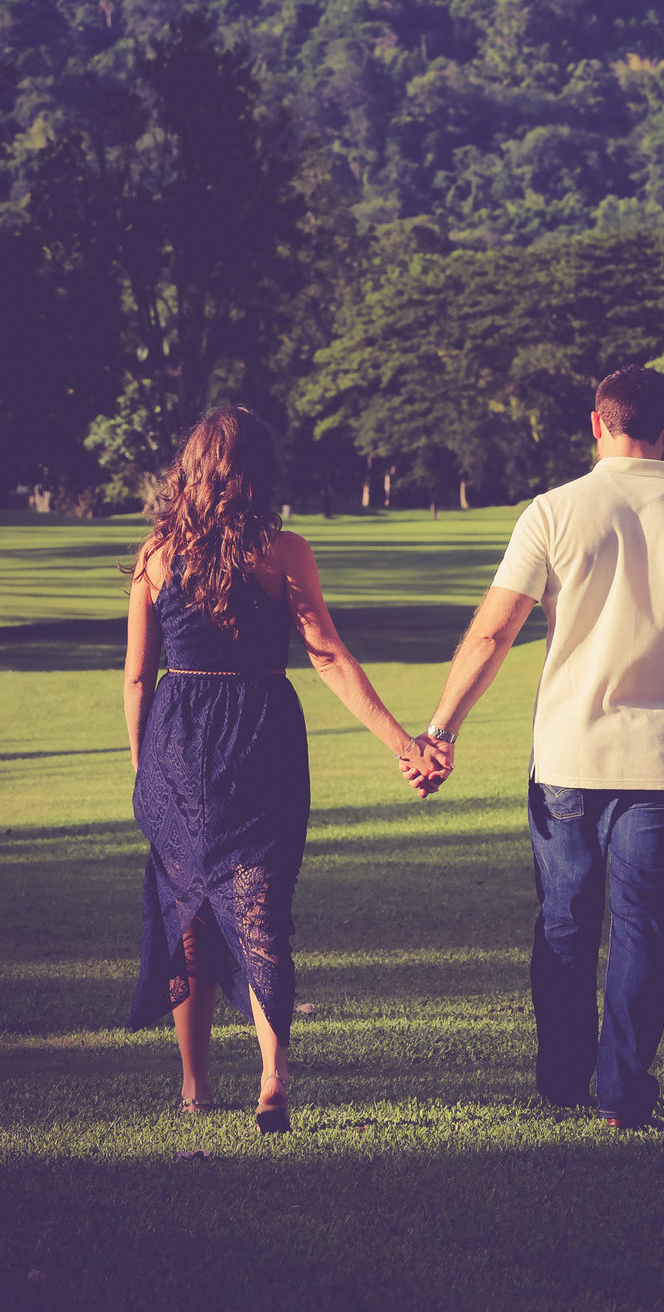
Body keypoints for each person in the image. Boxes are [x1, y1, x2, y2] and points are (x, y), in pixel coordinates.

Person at [403, 364, 664, 1128]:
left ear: (597, 424)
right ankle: (623, 1095)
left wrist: (441, 730)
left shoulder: (553, 512)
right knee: (645, 925)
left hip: (567, 758)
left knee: (566, 922)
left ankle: (563, 1081)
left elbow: (494, 632)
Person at [124, 405, 448, 1134]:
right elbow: (328, 657)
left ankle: (194, 1087)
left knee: (188, 912)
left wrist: (147, 769)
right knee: (260, 902)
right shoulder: (284, 552)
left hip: (177, 738)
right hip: (262, 730)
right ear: (260, 473)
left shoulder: (156, 556)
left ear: (191, 470)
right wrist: (405, 744)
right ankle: (272, 1074)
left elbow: (137, 680)